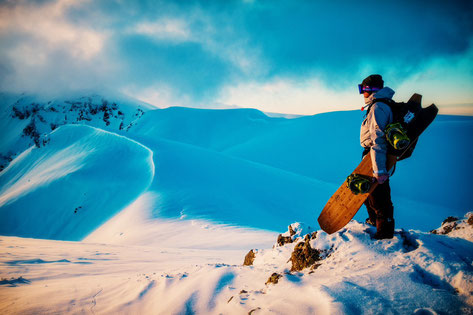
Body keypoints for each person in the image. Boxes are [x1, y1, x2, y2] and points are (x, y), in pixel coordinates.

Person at [359, 74, 395, 239]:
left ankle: (384, 233)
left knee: (379, 197)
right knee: (370, 194)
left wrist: (379, 170)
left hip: (376, 157)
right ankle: (375, 223)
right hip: (373, 157)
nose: (362, 93)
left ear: (370, 90)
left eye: (363, 89)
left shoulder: (378, 108)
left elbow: (377, 140)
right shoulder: (379, 105)